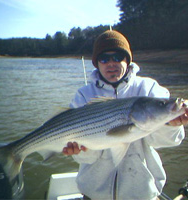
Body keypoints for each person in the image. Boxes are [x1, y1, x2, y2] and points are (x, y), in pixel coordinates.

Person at [62, 30, 188, 200]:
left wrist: (171, 125)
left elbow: (169, 141)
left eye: (118, 57)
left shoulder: (149, 89)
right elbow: (89, 157)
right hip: (95, 194)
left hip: (142, 194)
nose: (111, 63)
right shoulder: (84, 95)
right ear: (97, 63)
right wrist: (79, 151)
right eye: (104, 58)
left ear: (128, 60)